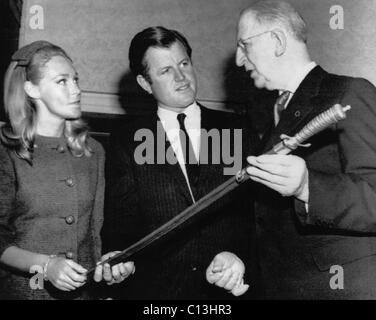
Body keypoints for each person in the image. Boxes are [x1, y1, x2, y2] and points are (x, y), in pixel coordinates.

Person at [228, 0, 376, 299]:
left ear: (278, 41)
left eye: (245, 45)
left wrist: (308, 186)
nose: (238, 60)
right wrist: (238, 260)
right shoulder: (269, 116)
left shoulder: (349, 92)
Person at [102, 26, 259, 299]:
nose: (181, 76)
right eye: (165, 71)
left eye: (184, 63)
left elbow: (258, 215)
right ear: (144, 83)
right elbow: (121, 222)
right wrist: (118, 257)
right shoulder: (127, 141)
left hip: (226, 294)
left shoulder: (237, 130)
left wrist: (240, 257)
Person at [0, 40, 135, 300]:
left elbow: (97, 231)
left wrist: (110, 263)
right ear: (32, 89)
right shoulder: (7, 152)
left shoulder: (93, 152)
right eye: (62, 81)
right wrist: (47, 266)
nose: (76, 90)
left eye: (76, 80)